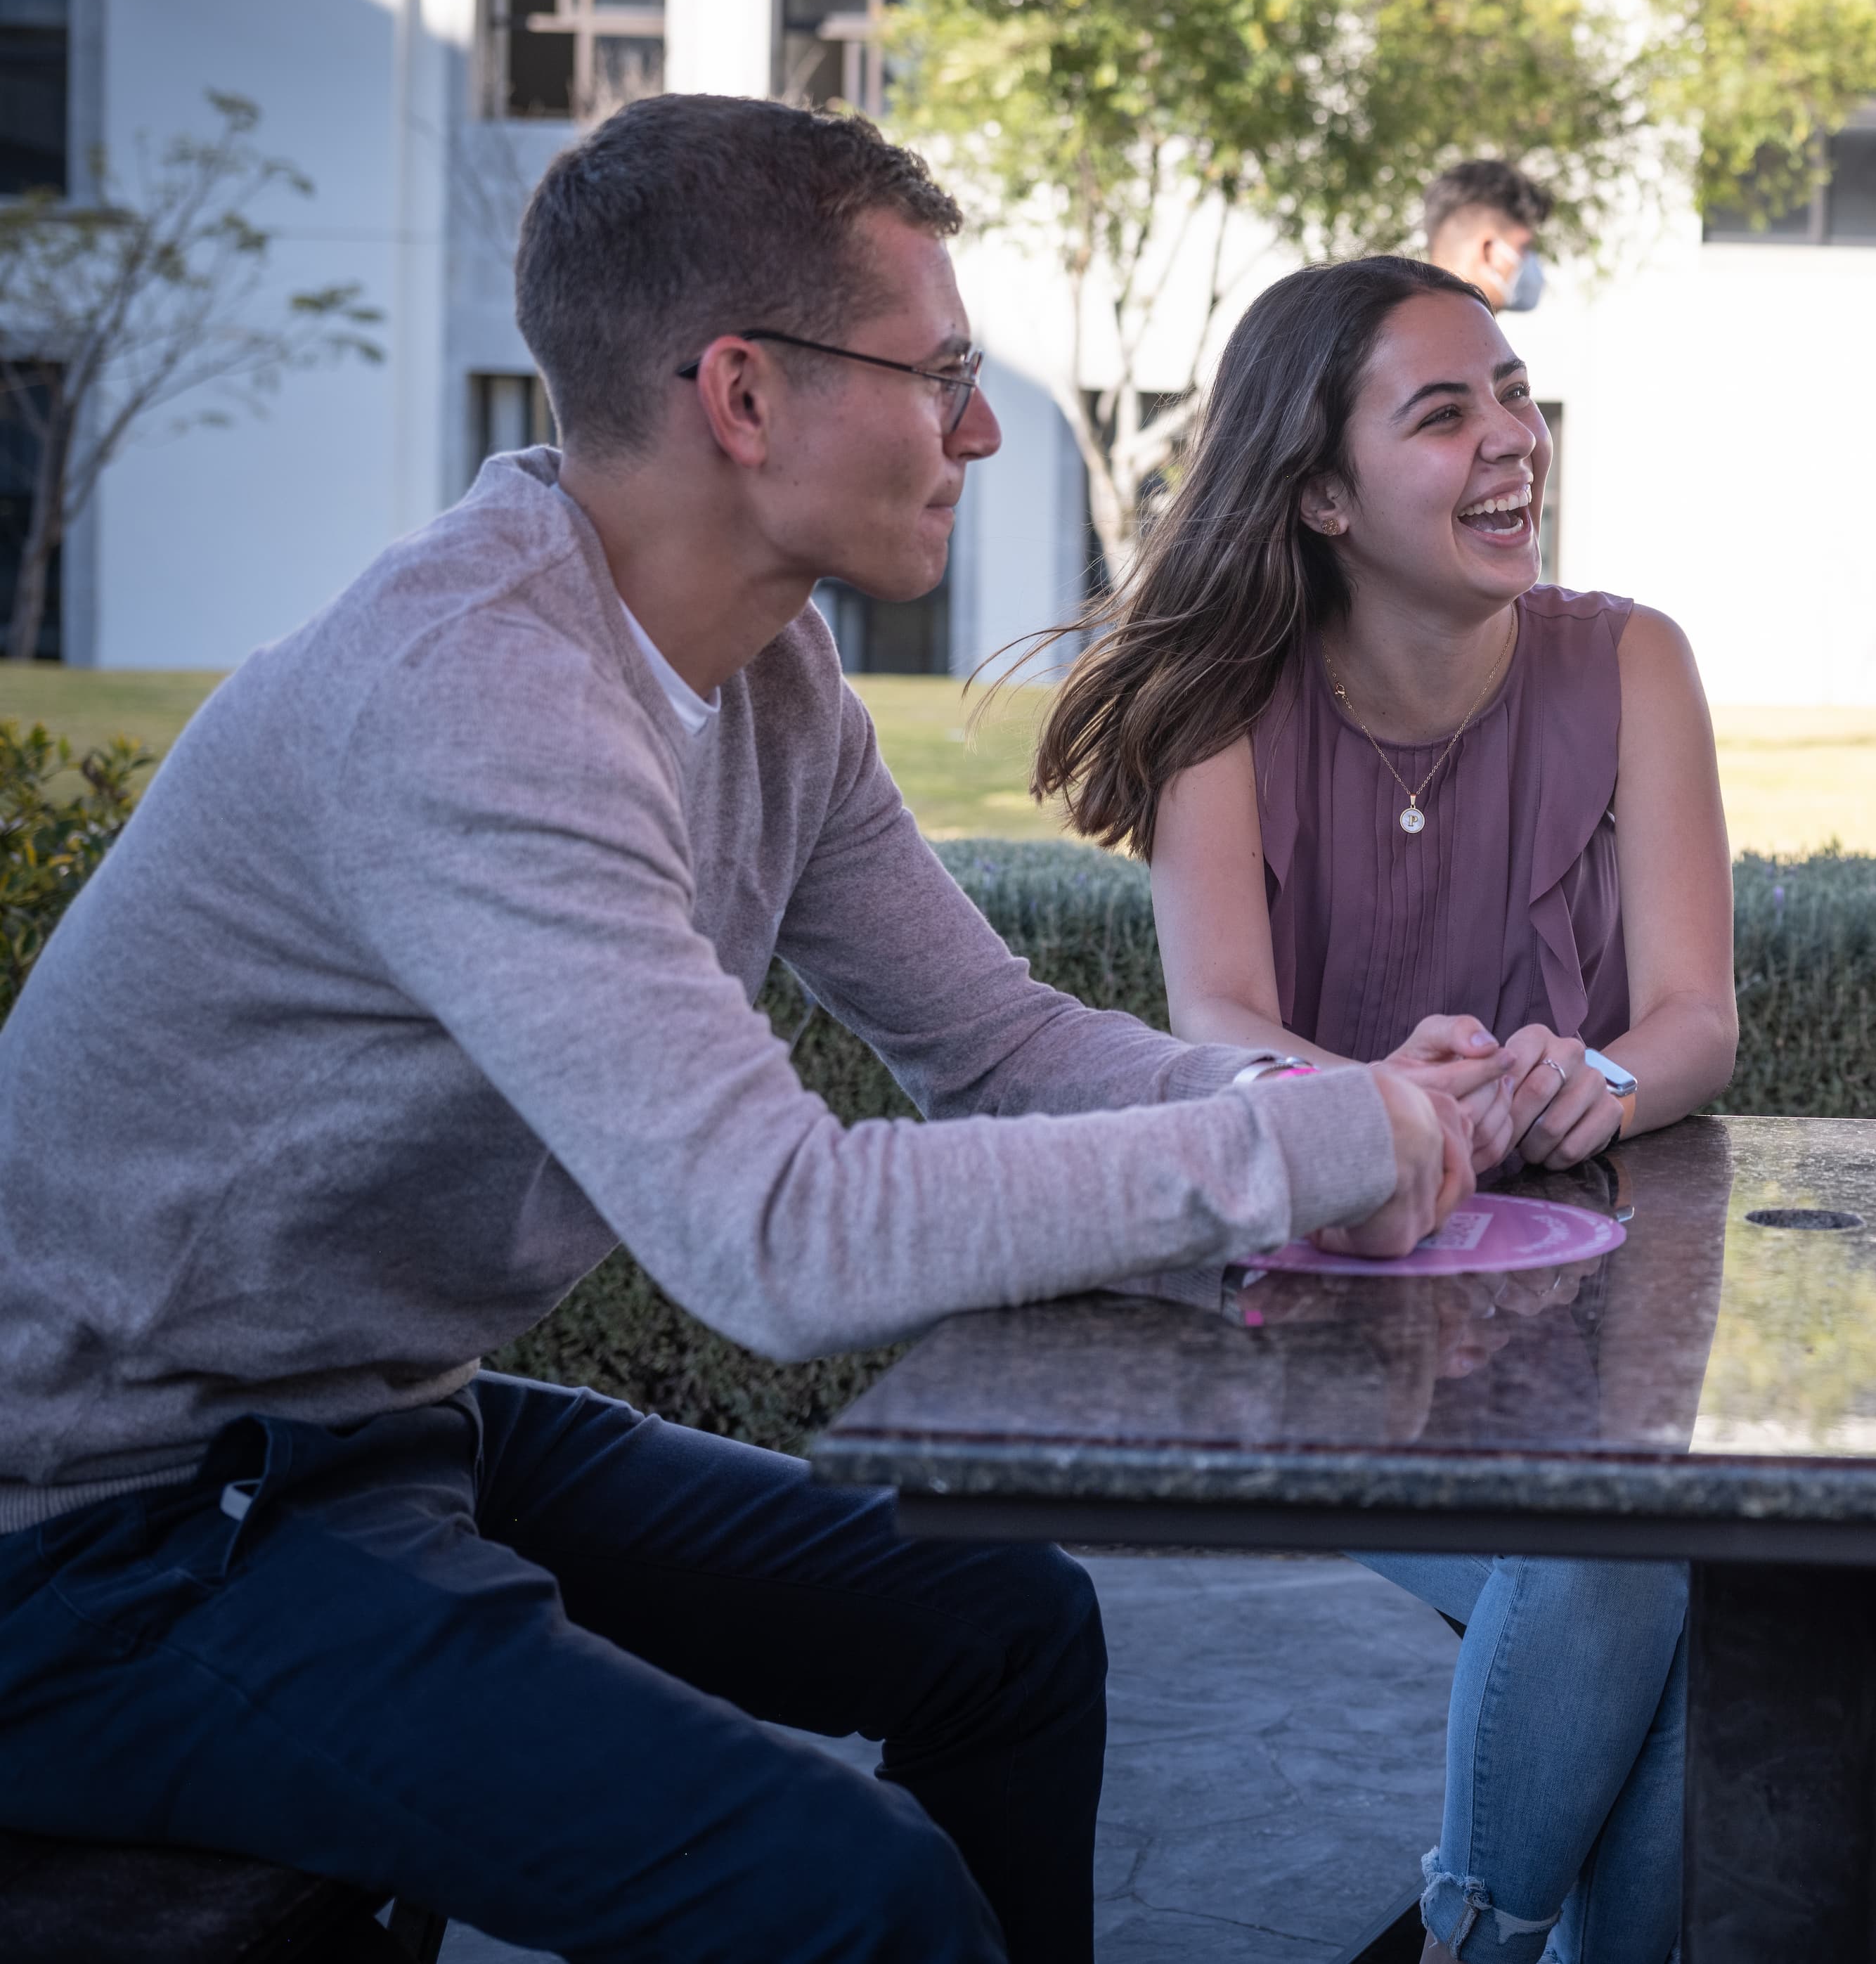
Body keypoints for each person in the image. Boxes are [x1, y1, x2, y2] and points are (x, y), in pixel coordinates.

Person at [0, 96, 1499, 1964]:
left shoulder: (770, 679)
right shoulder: (471, 700)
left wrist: (1312, 1105)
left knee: (1006, 1621)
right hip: (103, 1529)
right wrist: (1287, 1152)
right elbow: (777, 1235)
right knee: (850, 1894)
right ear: (743, 395)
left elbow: (1003, 1045)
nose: (974, 426)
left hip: (367, 1420)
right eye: (940, 368)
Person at [1035, 253, 1736, 1964]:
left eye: (1509, 392)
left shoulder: (1633, 659)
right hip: (1318, 1314)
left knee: (1656, 1561)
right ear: (1326, 493)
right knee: (1625, 1550)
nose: (1511, 438)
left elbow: (1696, 1015)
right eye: (1447, 412)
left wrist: (1606, 1074)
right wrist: (1374, 1108)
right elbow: (1218, 1026)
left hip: (1583, 1312)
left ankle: (1472, 1936)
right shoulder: (1222, 702)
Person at [1421, 158, 1551, 314]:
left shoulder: (1397, 327)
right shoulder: (1466, 335)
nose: (1531, 258)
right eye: (1524, 246)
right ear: (1488, 251)